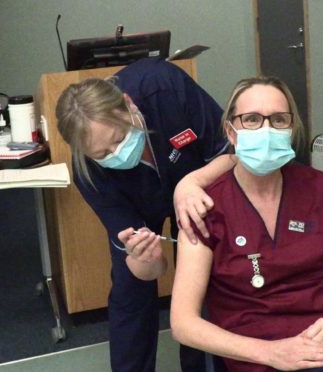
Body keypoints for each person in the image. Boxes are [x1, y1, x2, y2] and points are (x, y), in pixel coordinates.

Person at [170, 76, 323, 371]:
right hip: (256, 353)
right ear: (231, 132)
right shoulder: (204, 208)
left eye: (278, 120)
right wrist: (270, 353)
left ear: (290, 130)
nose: (266, 130)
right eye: (251, 119)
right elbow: (183, 323)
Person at [55, 57, 235, 372]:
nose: (116, 154)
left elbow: (231, 153)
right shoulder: (89, 174)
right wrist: (145, 261)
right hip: (138, 200)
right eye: (102, 154)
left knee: (205, 274)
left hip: (201, 182)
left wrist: (190, 184)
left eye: (118, 138)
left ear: (128, 104)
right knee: (130, 286)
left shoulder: (162, 86)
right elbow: (150, 270)